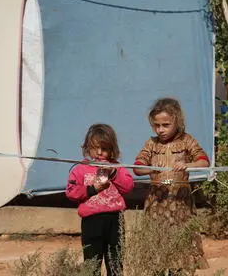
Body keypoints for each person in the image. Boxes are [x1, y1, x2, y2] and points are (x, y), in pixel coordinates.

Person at [134, 97, 210, 273]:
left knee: (181, 245)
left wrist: (188, 165)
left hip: (180, 204)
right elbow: (137, 169)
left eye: (165, 125)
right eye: (157, 126)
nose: (161, 130)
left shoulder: (187, 140)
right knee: (156, 244)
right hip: (157, 204)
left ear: (177, 121)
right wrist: (151, 170)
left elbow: (204, 161)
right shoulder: (151, 144)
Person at [66, 124, 134, 276]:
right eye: (94, 148)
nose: (99, 153)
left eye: (104, 149)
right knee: (92, 263)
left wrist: (114, 173)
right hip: (92, 222)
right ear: (87, 147)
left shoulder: (117, 167)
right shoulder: (80, 169)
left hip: (115, 220)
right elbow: (71, 192)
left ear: (112, 149)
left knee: (115, 262)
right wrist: (92, 189)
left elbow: (128, 187)